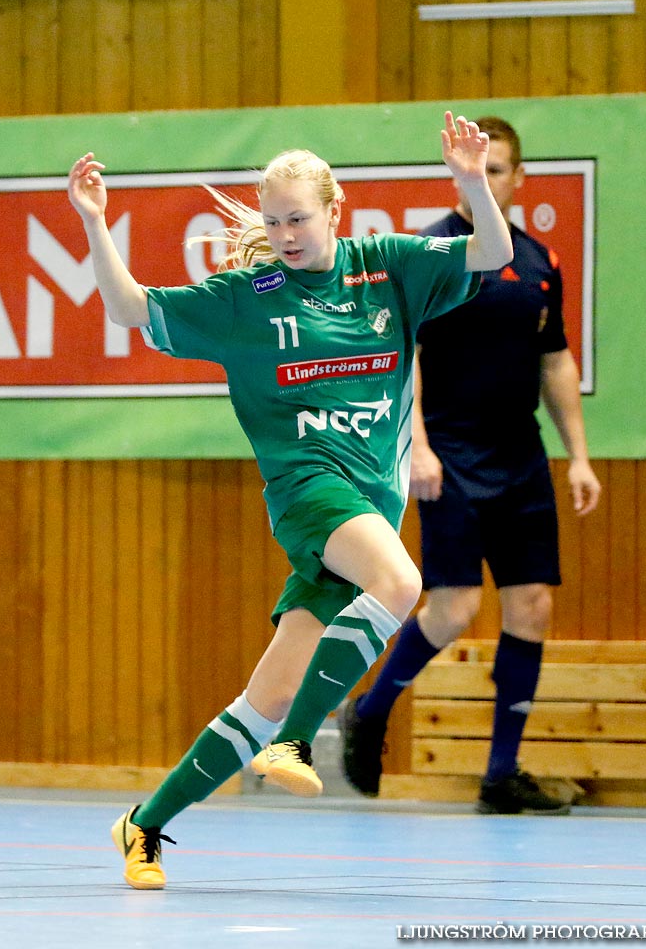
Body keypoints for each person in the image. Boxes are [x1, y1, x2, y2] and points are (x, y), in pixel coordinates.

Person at [67, 111, 512, 890]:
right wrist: (96, 225)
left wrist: (472, 182)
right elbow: (130, 307)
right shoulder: (248, 296)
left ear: (334, 210)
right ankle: (302, 742)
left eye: (298, 218)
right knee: (403, 584)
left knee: (262, 698)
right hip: (309, 492)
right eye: (272, 222)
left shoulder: (387, 267)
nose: (284, 234)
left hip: (370, 505)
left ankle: (142, 826)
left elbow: (492, 252)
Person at [338, 116, 601, 815]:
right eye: (475, 168)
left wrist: (577, 456)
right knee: (453, 608)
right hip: (447, 452)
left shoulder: (539, 261)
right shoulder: (429, 252)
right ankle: (369, 710)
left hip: (519, 453)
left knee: (533, 606)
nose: (486, 180)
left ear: (518, 180)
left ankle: (499, 774)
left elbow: (556, 360)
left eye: (499, 169)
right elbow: (404, 355)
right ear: (458, 173)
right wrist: (416, 445)